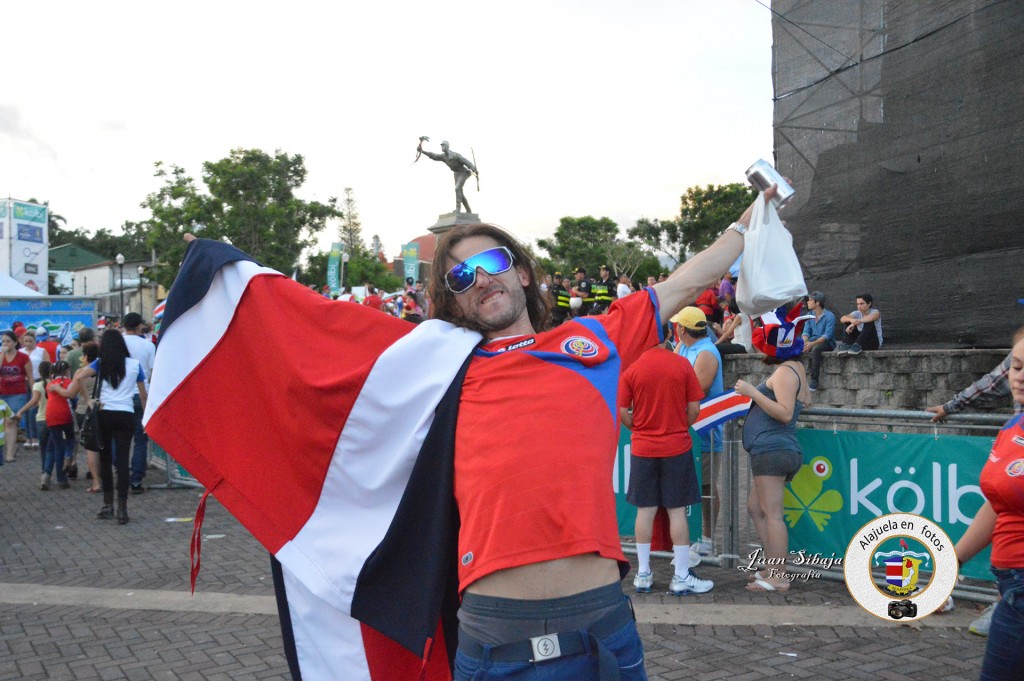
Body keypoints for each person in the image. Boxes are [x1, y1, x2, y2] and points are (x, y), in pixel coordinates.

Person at [147, 187, 775, 680]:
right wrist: (219, 275)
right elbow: (311, 339)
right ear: (451, 301)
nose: (479, 278)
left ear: (522, 272)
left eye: (491, 261)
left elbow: (685, 281)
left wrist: (750, 221)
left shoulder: (592, 342)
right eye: (459, 277)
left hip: (601, 628)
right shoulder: (435, 372)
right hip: (492, 638)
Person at [953, 325, 1024, 680]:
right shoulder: (1013, 427)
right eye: (1017, 366)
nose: (1020, 377)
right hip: (1010, 586)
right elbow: (998, 504)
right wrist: (952, 561)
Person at [619, 343, 711, 596]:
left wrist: (638, 428)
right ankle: (681, 575)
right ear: (669, 336)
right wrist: (680, 426)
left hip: (643, 448)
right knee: (677, 511)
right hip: (676, 446)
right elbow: (695, 408)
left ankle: (643, 574)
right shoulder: (682, 364)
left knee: (644, 511)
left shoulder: (632, 369)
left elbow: (622, 411)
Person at [734, 304, 813, 592]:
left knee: (772, 513)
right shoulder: (796, 369)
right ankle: (772, 566)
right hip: (775, 447)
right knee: (756, 508)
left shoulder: (784, 373)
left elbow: (784, 413)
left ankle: (779, 576)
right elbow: (806, 401)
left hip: (773, 448)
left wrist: (753, 393)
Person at [62, 329, 147, 525]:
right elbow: (143, 395)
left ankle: (108, 504)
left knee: (106, 459)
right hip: (125, 413)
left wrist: (88, 400)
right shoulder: (135, 365)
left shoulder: (100, 363)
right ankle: (123, 509)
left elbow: (79, 377)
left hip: (104, 412)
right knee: (123, 460)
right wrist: (144, 417)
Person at [672, 307, 724, 556]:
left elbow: (696, 391)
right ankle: (685, 535)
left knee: (706, 487)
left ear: (682, 329)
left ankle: (708, 538)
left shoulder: (706, 353)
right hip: (684, 429)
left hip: (705, 432)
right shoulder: (683, 346)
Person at [122, 312, 156, 493]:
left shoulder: (117, 342)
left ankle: (120, 470)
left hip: (121, 394)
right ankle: (136, 478)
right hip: (142, 393)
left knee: (120, 438)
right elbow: (152, 372)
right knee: (140, 439)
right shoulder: (148, 345)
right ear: (139, 326)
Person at [417, 139, 479, 213]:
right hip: (456, 174)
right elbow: (434, 156)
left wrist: (474, 169)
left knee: (457, 189)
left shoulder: (456, 155)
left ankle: (458, 208)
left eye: (443, 145)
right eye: (441, 146)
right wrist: (422, 151)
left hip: (463, 173)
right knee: (460, 193)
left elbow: (467, 162)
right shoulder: (443, 156)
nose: (442, 147)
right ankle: (468, 209)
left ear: (447, 146)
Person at [40, 360, 75, 491]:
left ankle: (46, 474)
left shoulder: (50, 384)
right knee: (69, 439)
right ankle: (63, 473)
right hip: (65, 414)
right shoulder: (70, 383)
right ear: (67, 371)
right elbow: (73, 399)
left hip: (50, 416)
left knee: (54, 446)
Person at [1, 330, 33, 462]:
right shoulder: (1, 356)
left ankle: (9, 453)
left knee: (11, 421)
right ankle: (12, 447)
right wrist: (2, 355)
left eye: (8, 341)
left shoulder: (23, 357)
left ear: (15, 342)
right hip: (2, 393)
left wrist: (34, 394)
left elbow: (30, 377)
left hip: (17, 393)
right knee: (3, 423)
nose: (5, 344)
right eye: (3, 341)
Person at [801, 291, 836, 391]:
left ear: (817, 303)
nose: (807, 302)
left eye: (810, 300)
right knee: (796, 347)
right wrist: (804, 343)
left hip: (827, 343)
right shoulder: (809, 315)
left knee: (816, 349)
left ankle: (814, 380)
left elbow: (827, 336)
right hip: (812, 341)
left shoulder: (829, 316)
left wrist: (811, 344)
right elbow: (806, 332)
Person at [19, 330, 46, 449]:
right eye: (25, 341)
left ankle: (35, 437)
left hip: (38, 381)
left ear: (35, 341)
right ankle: (28, 437)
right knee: (25, 410)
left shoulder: (41, 351)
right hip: (23, 382)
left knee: (33, 410)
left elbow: (47, 366)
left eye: (30, 341)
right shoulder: (21, 352)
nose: (28, 343)